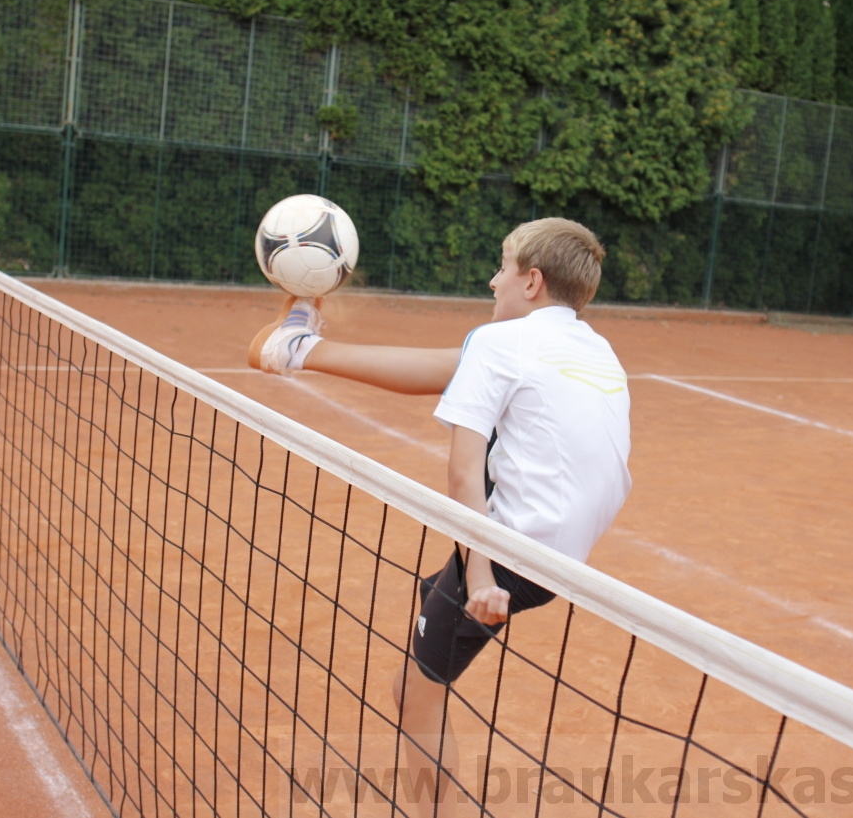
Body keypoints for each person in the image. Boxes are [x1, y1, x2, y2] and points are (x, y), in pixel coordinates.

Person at [248, 217, 631, 816]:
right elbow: (457, 369)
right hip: (565, 551)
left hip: (513, 555)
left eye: (502, 269)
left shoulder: (500, 342)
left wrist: (479, 577)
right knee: (474, 366)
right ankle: (299, 351)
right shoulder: (589, 346)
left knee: (414, 692)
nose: (491, 280)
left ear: (531, 281)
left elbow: (461, 474)